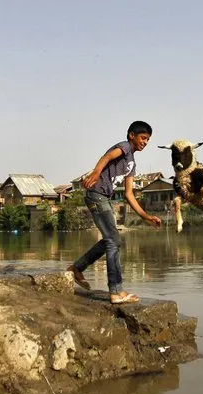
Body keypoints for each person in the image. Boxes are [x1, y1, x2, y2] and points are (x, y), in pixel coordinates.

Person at [68, 121, 162, 304]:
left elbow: (128, 194)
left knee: (110, 240)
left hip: (105, 198)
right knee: (114, 241)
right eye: (143, 138)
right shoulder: (124, 147)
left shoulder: (132, 163)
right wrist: (96, 173)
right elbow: (107, 157)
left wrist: (146, 216)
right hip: (96, 195)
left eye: (148, 140)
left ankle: (76, 268)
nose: (145, 142)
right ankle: (116, 291)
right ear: (131, 135)